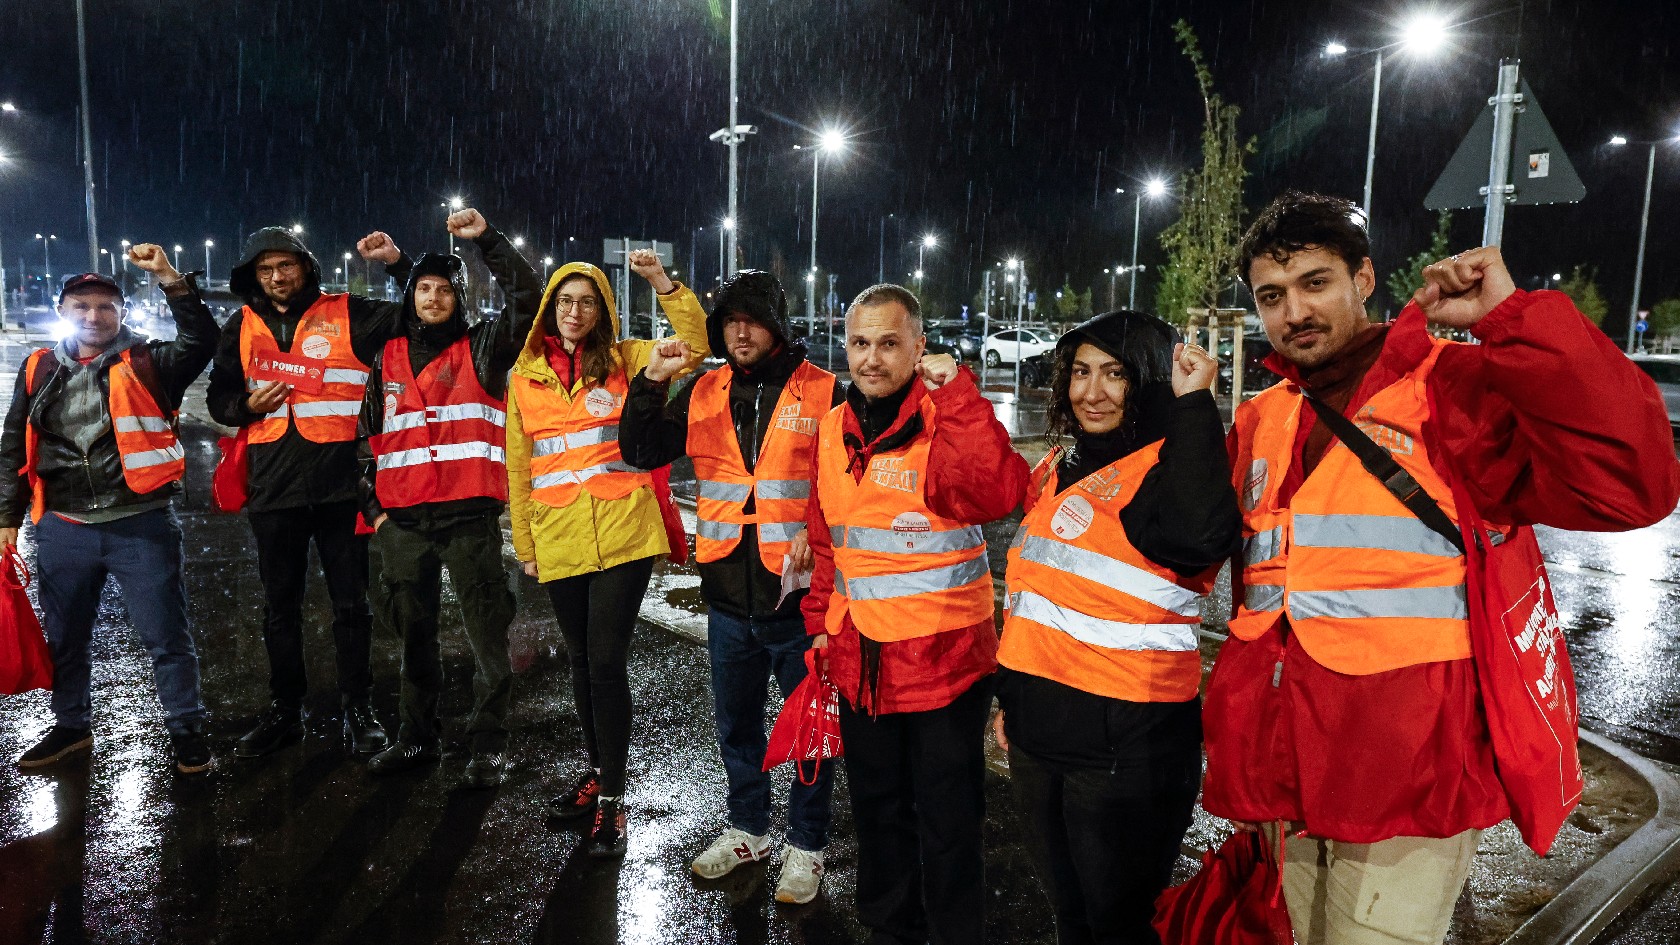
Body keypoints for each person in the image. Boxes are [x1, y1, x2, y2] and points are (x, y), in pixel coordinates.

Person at [1202, 191, 1680, 945]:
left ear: (1364, 279)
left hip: (1407, 782)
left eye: (1315, 283)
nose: (1293, 311)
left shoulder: (1447, 388)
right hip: (1287, 772)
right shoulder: (1264, 418)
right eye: (1272, 295)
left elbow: (1629, 481)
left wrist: (1512, 320)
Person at [993, 311, 1237, 945]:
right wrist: (1009, 702)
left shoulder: (1168, 465)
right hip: (1039, 734)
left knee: (1120, 927)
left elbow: (1198, 535)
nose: (1090, 392)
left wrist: (1192, 407)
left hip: (1127, 750)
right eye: (1079, 371)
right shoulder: (1058, 466)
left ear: (1148, 381)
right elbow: (1035, 599)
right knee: (1070, 918)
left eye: (1114, 374)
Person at [802, 283, 1028, 945]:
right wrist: (820, 623)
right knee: (877, 808)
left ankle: (956, 930)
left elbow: (998, 490)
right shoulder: (833, 429)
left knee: (950, 815)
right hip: (861, 655)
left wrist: (957, 392)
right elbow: (827, 540)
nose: (872, 358)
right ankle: (890, 923)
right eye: (860, 342)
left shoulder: (944, 419)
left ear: (918, 346)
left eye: (889, 342)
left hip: (945, 663)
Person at [619, 270, 841, 903]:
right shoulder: (704, 389)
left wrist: (819, 537)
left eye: (753, 319)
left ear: (777, 324)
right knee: (737, 727)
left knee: (809, 729)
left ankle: (807, 842)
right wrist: (651, 381)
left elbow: (852, 480)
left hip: (800, 602)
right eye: (729, 322)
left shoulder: (825, 392)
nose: (740, 331)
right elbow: (639, 450)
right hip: (726, 599)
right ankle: (748, 829)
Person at [507, 248, 709, 857]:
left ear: (602, 310)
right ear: (551, 309)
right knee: (577, 662)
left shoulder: (627, 360)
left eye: (587, 302)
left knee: (603, 662)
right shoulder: (525, 377)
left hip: (624, 529)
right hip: (559, 533)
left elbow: (695, 344)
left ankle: (615, 802)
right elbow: (521, 467)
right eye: (565, 302)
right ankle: (597, 776)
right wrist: (525, 543)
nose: (575, 312)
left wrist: (661, 281)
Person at [0, 249, 219, 774]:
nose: (94, 316)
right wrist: (7, 517)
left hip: (139, 520)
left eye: (106, 307)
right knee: (66, 637)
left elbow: (201, 340)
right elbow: (13, 444)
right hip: (63, 525)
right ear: (63, 310)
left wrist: (170, 280)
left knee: (166, 635)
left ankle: (186, 727)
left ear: (121, 314)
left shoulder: (149, 362)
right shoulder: (38, 368)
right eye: (81, 306)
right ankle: (71, 724)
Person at [207, 225, 412, 759]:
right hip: (273, 490)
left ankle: (358, 707)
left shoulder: (351, 313)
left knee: (352, 605)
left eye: (286, 266)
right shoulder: (242, 324)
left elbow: (421, 313)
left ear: (306, 268)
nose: (276, 277)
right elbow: (219, 396)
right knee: (280, 607)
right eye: (265, 270)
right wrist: (244, 408)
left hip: (341, 485)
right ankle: (285, 710)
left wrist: (397, 264)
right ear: (254, 276)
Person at [356, 208, 542, 787]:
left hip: (468, 520)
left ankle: (488, 742)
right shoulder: (386, 358)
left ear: (460, 299)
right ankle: (417, 737)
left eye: (444, 290)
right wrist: (378, 515)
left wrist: (487, 237)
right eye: (424, 289)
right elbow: (365, 442)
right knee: (413, 633)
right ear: (411, 296)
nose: (433, 298)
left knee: (487, 633)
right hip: (404, 522)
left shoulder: (486, 347)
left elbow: (529, 297)